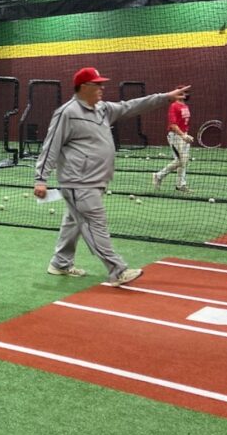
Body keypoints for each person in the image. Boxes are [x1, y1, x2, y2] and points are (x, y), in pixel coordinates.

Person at [34, 67, 190, 287]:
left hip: (95, 180)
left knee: (74, 222)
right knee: (94, 223)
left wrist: (165, 98)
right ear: (83, 87)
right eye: (97, 84)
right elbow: (51, 146)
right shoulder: (66, 112)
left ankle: (60, 263)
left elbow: (132, 106)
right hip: (78, 182)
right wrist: (41, 178)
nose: (102, 88)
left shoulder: (103, 109)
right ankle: (117, 270)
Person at [153, 90, 193, 192]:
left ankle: (181, 185)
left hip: (184, 136)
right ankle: (159, 175)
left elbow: (184, 123)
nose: (184, 94)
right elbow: (173, 124)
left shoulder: (185, 106)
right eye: (182, 92)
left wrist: (186, 135)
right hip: (175, 136)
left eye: (185, 92)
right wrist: (183, 135)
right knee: (181, 160)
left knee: (184, 161)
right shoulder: (173, 106)